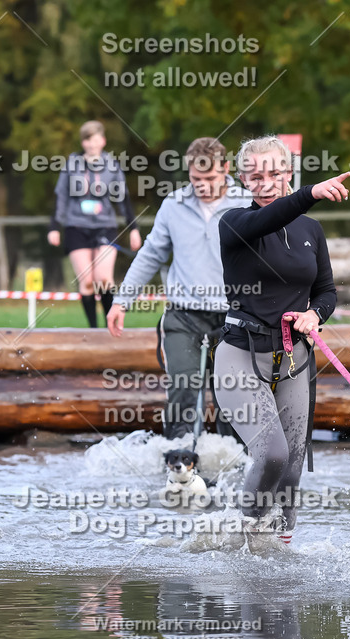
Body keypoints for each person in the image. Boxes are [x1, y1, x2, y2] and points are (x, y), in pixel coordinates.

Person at [214, 135, 350, 543]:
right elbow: (270, 218)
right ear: (243, 178)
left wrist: (314, 314)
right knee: (272, 454)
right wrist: (310, 192)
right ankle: (244, 537)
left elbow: (327, 291)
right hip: (241, 356)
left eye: (275, 172)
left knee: (291, 470)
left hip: (294, 358)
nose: (267, 180)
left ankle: (281, 557)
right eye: (256, 174)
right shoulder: (234, 223)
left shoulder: (311, 229)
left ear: (287, 171)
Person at [107, 137, 251, 440]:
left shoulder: (246, 203)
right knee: (183, 387)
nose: (202, 185)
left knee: (232, 396)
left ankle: (237, 465)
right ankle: (178, 462)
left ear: (226, 168)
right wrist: (122, 301)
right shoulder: (173, 206)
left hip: (234, 316)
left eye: (210, 178)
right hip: (184, 316)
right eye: (196, 179)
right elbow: (150, 255)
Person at [49, 120, 142, 327]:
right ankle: (93, 329)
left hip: (105, 227)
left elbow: (123, 199)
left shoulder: (112, 166)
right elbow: (61, 197)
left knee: (103, 278)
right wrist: (54, 227)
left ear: (103, 141)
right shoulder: (72, 165)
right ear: (83, 143)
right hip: (76, 227)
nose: (91, 145)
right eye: (87, 140)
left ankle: (111, 323)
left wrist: (133, 229)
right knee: (87, 281)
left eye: (95, 140)